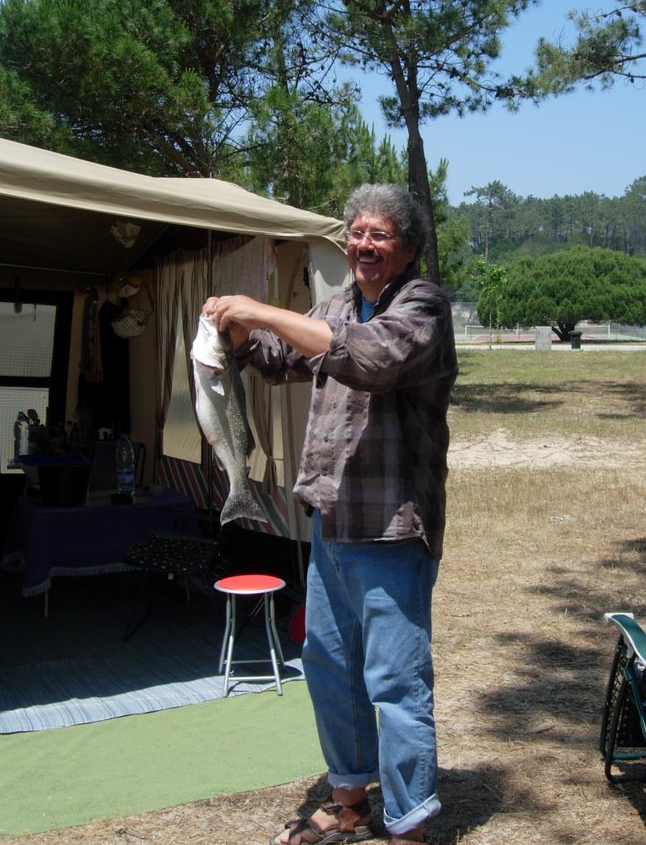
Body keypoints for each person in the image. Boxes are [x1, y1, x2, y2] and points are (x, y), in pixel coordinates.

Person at [202, 184, 457, 845]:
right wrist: (235, 335)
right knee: (329, 667)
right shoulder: (336, 304)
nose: (364, 245)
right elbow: (284, 357)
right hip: (331, 523)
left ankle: (410, 823)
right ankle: (350, 802)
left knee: (396, 684)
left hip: (392, 527)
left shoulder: (423, 305)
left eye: (379, 236)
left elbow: (367, 357)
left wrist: (262, 308)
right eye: (357, 233)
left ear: (405, 248)